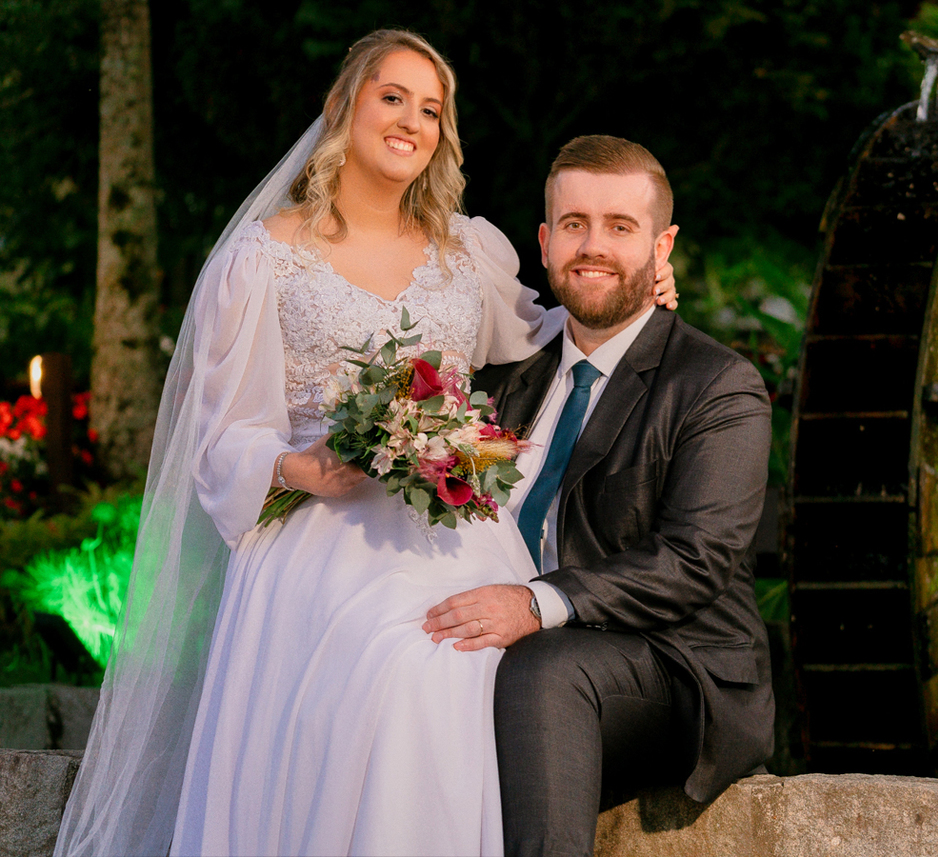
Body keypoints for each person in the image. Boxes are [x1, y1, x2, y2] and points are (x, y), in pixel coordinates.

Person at [54, 31, 676, 857]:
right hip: (320, 535)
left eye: (432, 109)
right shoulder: (262, 259)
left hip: (457, 529)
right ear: (343, 106)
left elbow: (546, 333)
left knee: (486, 669)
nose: (413, 120)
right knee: (398, 671)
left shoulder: (468, 251)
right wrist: (299, 465)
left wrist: (632, 290)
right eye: (393, 97)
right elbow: (219, 437)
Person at [423, 135, 775, 856]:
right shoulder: (507, 380)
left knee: (544, 671)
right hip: (519, 641)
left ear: (661, 245)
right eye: (575, 224)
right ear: (545, 242)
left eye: (620, 226)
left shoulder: (716, 384)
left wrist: (535, 604)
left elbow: (696, 558)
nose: (594, 247)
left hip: (674, 662)